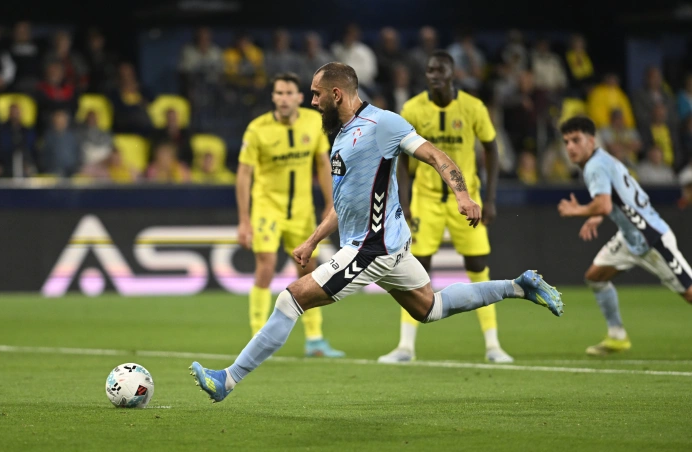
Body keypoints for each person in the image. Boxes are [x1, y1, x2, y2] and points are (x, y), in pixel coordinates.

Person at [190, 62, 563, 403]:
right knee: (431, 308)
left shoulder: (383, 124)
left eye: (317, 94)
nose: (312, 101)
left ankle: (228, 379)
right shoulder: (341, 134)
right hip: (389, 246)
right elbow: (345, 202)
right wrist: (313, 240)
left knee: (291, 300)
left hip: (371, 248)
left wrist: (462, 195)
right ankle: (519, 286)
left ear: (337, 94)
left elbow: (436, 156)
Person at [378, 51, 509, 364]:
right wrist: (404, 202)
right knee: (414, 267)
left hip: (465, 199)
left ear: (453, 74)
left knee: (477, 264)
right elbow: (401, 159)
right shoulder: (413, 108)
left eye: (440, 70)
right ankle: (405, 346)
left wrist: (490, 199)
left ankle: (493, 344)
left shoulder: (473, 107)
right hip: (426, 200)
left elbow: (491, 148)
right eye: (430, 71)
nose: (434, 76)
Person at [556, 116, 692, 356]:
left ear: (591, 140)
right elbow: (617, 198)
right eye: (566, 142)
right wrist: (597, 215)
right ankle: (617, 336)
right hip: (630, 238)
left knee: (689, 292)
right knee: (595, 277)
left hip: (651, 238)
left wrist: (577, 210)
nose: (570, 147)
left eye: (576, 140)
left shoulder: (595, 166)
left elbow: (604, 205)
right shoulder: (604, 159)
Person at [236, 72, 343, 358]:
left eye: (288, 93)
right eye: (279, 93)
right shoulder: (257, 129)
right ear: (273, 97)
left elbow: (323, 164)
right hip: (267, 209)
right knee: (266, 265)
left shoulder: (313, 122)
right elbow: (244, 174)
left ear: (299, 97)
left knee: (308, 271)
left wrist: (330, 202)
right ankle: (258, 338)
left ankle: (315, 339)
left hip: (301, 211)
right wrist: (244, 219)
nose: (284, 99)